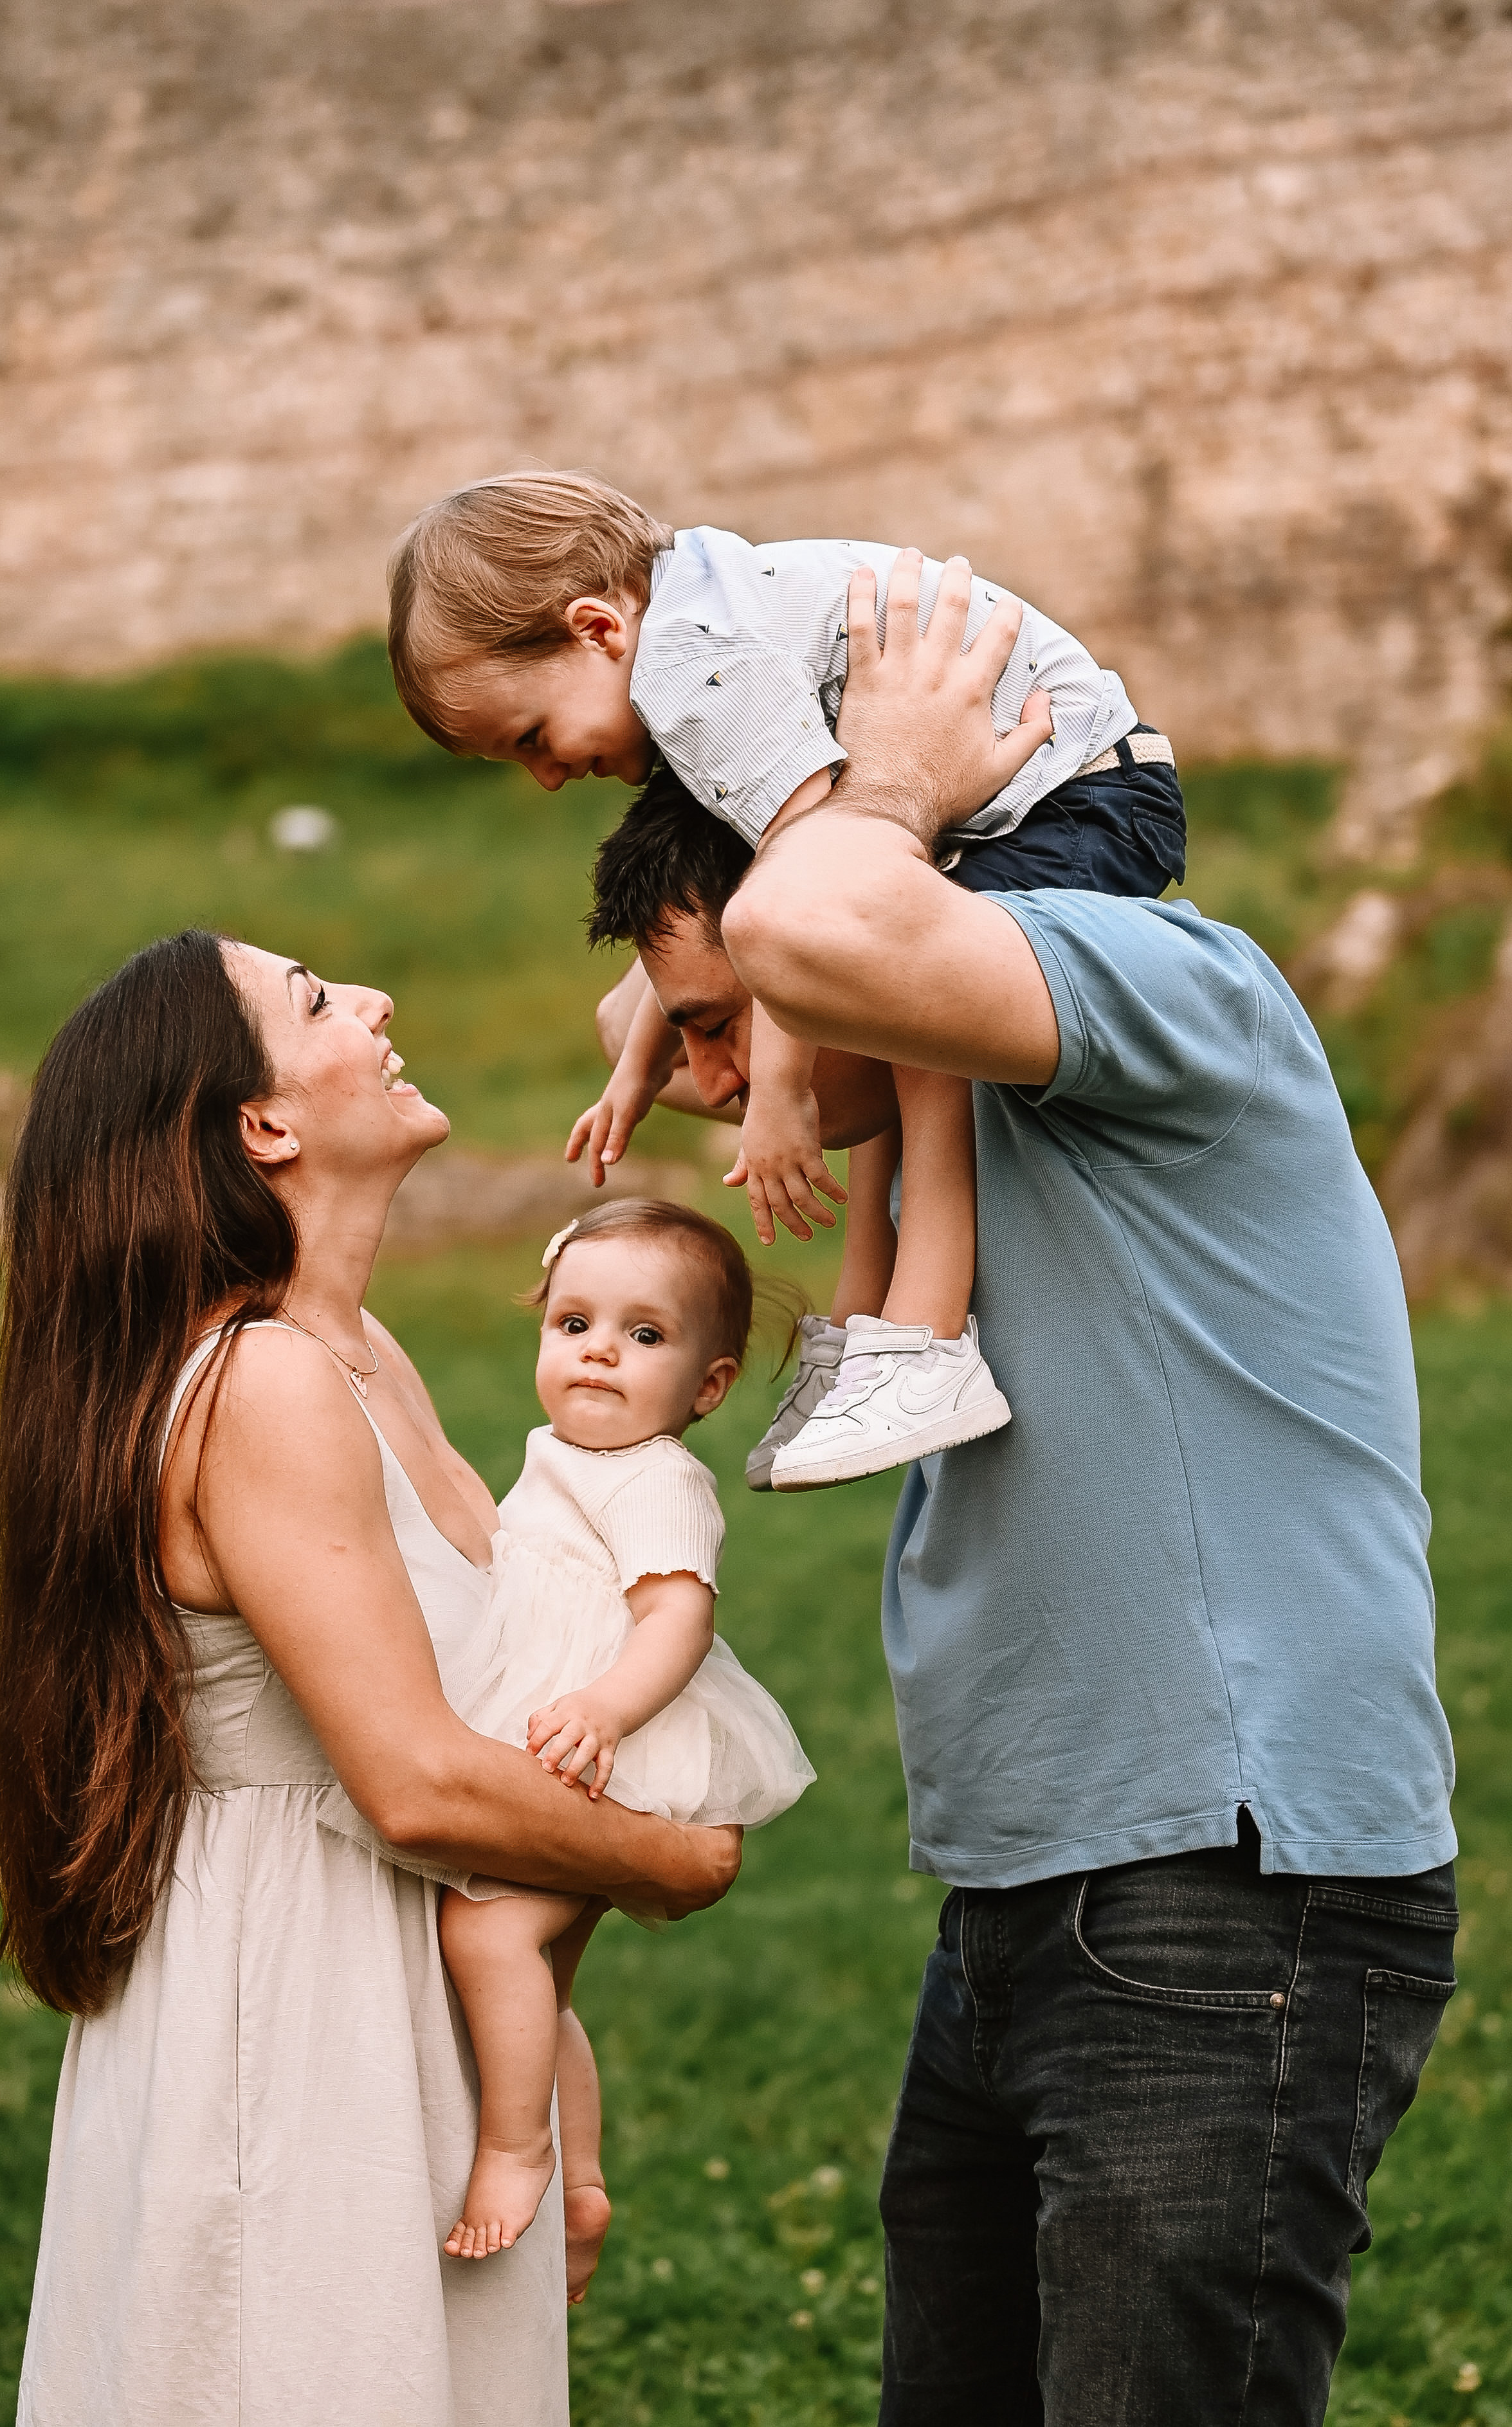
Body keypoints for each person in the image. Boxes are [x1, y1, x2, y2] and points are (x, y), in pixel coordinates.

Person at [583, 554, 1459, 2424]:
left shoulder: (1161, 980)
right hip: (1030, 1889)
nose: (712, 1080)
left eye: (732, 1021)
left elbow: (841, 942)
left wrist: (867, 795)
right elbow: (743, 1002)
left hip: (1225, 1881)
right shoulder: (936, 1084)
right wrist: (711, 1000)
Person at [0, 929, 738, 2427]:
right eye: (317, 1001)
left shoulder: (357, 1351)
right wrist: (672, 1861)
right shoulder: (257, 1383)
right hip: (292, 1995)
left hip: (396, 1976)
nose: (378, 1001)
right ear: (262, 1126)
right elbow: (415, 1776)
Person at [385, 471, 1187, 1491]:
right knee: (889, 993)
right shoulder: (693, 620)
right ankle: (863, 1313)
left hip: (1075, 795)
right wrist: (637, 1064)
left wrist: (783, 1090)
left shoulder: (691, 667)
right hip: (1040, 797)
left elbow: (805, 888)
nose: (546, 776)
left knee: (909, 999)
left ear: (595, 628)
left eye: (533, 738)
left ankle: (926, 1331)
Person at [438, 1198, 814, 2271]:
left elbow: (679, 1618)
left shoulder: (657, 1477)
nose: (600, 1349)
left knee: (488, 1934)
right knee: (539, 1974)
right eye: (573, 1324)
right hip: (561, 1723)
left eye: (644, 1336)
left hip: (609, 1743)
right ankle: (585, 2182)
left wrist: (605, 1711)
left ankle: (518, 2151)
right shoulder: (562, 1451)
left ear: (708, 1386)